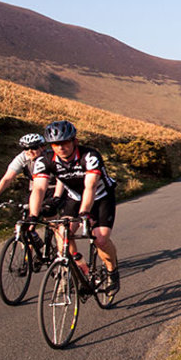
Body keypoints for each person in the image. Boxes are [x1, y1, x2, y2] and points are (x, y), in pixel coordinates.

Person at [28, 120, 120, 293]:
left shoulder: (90, 156)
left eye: (65, 142)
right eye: (56, 144)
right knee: (64, 234)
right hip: (75, 198)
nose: (61, 147)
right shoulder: (45, 160)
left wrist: (85, 213)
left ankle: (112, 271)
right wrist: (33, 215)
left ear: (74, 141)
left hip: (101, 197)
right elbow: (39, 188)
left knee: (100, 239)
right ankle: (80, 267)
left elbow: (90, 186)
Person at [0, 133, 65, 249]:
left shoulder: (52, 157)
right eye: (25, 148)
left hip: (54, 189)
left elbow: (61, 179)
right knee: (25, 225)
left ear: (42, 147)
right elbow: (7, 178)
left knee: (54, 224)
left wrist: (57, 197)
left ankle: (62, 259)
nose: (29, 151)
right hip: (35, 191)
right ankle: (31, 255)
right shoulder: (22, 158)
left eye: (33, 147)